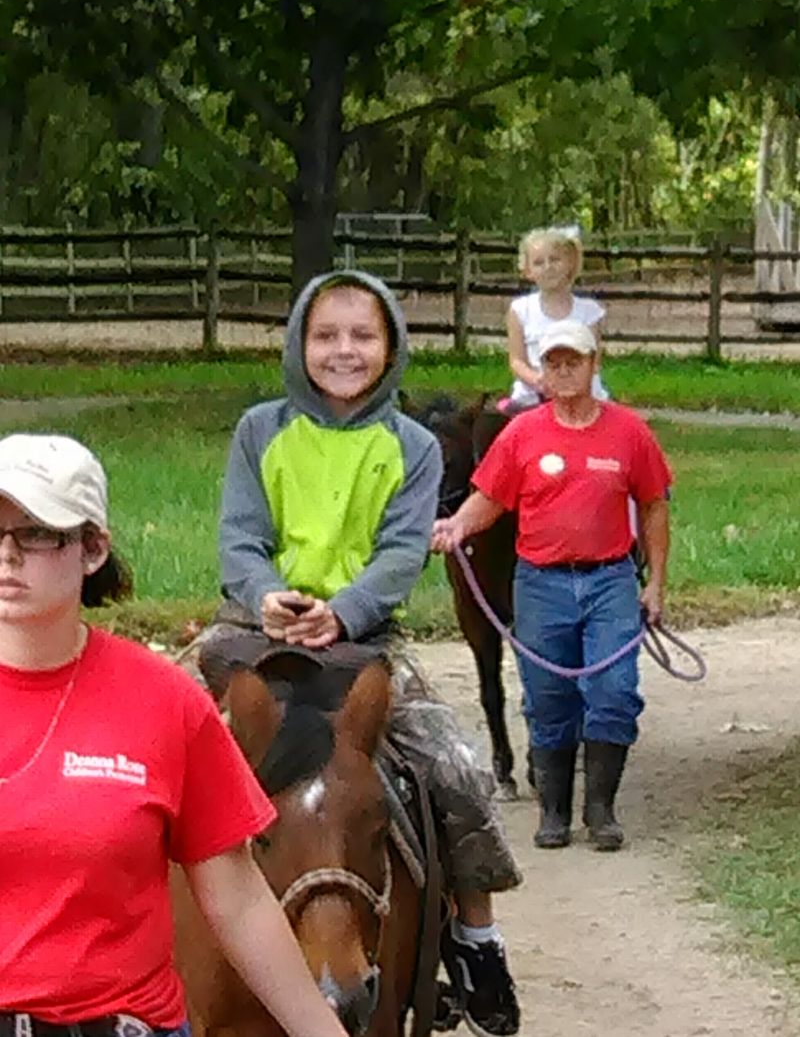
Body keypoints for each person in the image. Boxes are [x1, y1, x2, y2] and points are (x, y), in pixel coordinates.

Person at [181, 270, 522, 1037]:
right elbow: (240, 535)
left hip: (363, 635)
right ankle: (129, 918)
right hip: (254, 623)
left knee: (452, 763)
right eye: (326, 335)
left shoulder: (410, 445)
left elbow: (403, 550)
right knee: (156, 736)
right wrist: (268, 592)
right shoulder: (259, 431)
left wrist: (346, 611)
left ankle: (475, 936)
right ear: (299, 344)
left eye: (363, 335)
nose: (344, 350)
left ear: (392, 346)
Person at [0, 433, 350, 1037]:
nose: (7, 555)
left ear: (92, 549)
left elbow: (236, 899)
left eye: (35, 531)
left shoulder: (165, 701)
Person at [431, 320, 671, 853]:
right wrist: (456, 526)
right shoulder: (521, 434)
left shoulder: (629, 432)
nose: (564, 372)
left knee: (614, 693)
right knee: (547, 698)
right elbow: (489, 497)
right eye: (554, 363)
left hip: (608, 579)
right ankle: (555, 811)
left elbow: (653, 505)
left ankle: (601, 810)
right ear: (542, 371)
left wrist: (655, 582)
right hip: (540, 583)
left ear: (593, 365)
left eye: (574, 362)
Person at [501, 226, 609, 412]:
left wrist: (566, 384)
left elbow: (594, 360)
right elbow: (517, 360)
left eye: (554, 260)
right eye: (538, 263)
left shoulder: (589, 312)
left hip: (581, 394)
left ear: (569, 263)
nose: (547, 268)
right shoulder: (520, 310)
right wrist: (537, 380)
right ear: (527, 271)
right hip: (532, 397)